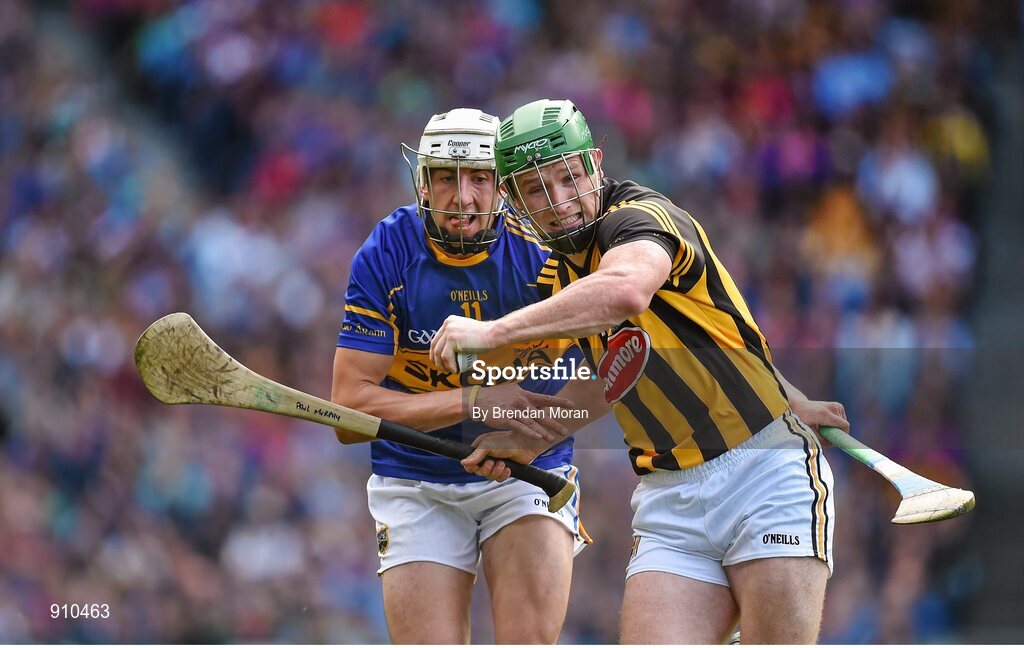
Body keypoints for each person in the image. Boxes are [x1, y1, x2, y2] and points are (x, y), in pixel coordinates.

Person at [430, 99, 850, 644]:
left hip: (763, 473)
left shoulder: (639, 219)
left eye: (568, 178)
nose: (560, 202)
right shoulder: (561, 276)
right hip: (668, 497)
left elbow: (626, 291)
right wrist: (531, 438)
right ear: (513, 200)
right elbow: (622, 374)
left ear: (595, 164)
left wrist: (491, 332)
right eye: (537, 189)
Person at [332, 108, 604, 644]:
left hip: (529, 470)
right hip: (416, 477)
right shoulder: (387, 252)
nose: (462, 198)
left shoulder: (547, 250)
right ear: (423, 184)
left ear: (503, 186)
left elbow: (604, 374)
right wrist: (473, 400)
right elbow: (347, 412)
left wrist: (534, 431)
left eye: (479, 178)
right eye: (445, 178)